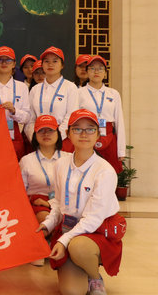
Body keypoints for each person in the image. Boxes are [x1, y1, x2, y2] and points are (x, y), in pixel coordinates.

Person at [36, 109, 124, 295]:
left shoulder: (105, 171)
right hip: (68, 229)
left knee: (79, 248)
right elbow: (58, 203)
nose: (84, 134)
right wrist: (48, 225)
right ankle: (80, 266)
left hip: (95, 232)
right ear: (68, 134)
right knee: (72, 291)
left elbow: (94, 218)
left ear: (98, 135)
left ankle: (94, 276)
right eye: (77, 129)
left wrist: (64, 241)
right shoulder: (60, 165)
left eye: (90, 129)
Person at [19, 114, 67, 266]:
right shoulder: (27, 160)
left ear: (58, 134)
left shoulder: (68, 158)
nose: (46, 134)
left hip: (63, 202)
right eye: (41, 130)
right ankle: (41, 244)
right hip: (36, 203)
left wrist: (51, 203)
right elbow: (20, 192)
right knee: (45, 216)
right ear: (35, 135)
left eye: (50, 130)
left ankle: (45, 243)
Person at [78, 55, 126, 174]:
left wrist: (121, 150)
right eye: (92, 68)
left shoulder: (113, 93)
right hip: (86, 136)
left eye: (100, 68)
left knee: (108, 173)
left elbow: (119, 122)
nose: (96, 72)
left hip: (109, 136)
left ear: (105, 73)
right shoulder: (78, 93)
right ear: (87, 71)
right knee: (86, 172)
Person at [26, 46, 79, 150]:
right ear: (42, 65)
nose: (50, 64)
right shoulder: (35, 89)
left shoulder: (70, 87)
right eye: (46, 61)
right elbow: (30, 118)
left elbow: (71, 116)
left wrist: (56, 137)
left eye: (55, 61)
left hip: (62, 140)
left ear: (62, 65)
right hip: (39, 139)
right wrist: (35, 137)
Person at [0, 46, 30, 159]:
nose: (4, 63)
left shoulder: (22, 87)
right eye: (0, 60)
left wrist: (14, 111)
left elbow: (27, 117)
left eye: (8, 60)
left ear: (14, 64)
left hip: (15, 135)